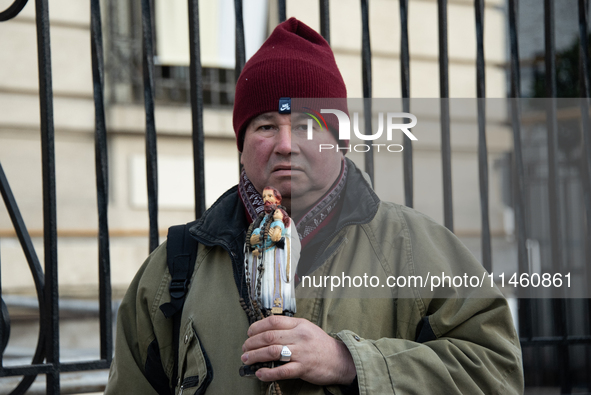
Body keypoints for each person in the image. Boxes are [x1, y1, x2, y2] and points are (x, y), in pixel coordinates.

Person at [105, 17, 523, 395]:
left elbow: (496, 372)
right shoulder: (173, 269)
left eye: (307, 125)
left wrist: (351, 363)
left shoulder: (411, 247)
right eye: (266, 125)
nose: (286, 145)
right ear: (242, 144)